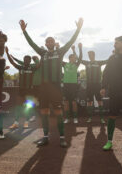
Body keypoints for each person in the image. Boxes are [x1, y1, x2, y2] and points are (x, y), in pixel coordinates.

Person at [19, 18, 83, 148]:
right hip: (44, 88)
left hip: (56, 87)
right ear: (45, 44)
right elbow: (32, 44)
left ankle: (62, 138)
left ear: (54, 43)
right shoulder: (42, 53)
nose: (49, 43)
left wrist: (78, 29)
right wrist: (24, 31)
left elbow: (71, 40)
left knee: (58, 112)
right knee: (44, 112)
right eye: (47, 41)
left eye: (51, 41)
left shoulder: (60, 52)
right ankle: (45, 137)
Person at [6, 47, 40, 129]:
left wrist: (40, 55)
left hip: (30, 90)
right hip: (21, 89)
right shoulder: (20, 67)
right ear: (23, 60)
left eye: (27, 60)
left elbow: (40, 64)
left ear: (29, 61)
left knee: (27, 107)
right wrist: (7, 53)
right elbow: (12, 62)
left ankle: (26, 122)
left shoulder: (33, 68)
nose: (26, 61)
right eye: (25, 59)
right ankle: (16, 122)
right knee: (18, 106)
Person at [81, 50, 108, 124]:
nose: (90, 56)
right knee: (89, 102)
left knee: (100, 101)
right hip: (89, 85)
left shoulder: (99, 62)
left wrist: (114, 53)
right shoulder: (87, 63)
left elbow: (107, 60)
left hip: (97, 85)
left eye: (91, 55)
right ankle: (89, 118)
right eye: (89, 55)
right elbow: (78, 58)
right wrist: (76, 50)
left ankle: (102, 118)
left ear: (94, 55)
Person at [62, 43, 82, 124]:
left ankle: (75, 118)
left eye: (75, 58)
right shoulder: (65, 64)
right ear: (70, 58)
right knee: (66, 102)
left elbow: (80, 57)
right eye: (73, 58)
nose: (75, 59)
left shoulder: (76, 65)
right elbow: (59, 58)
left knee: (74, 102)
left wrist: (79, 48)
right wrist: (57, 47)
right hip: (66, 85)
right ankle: (67, 118)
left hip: (74, 85)